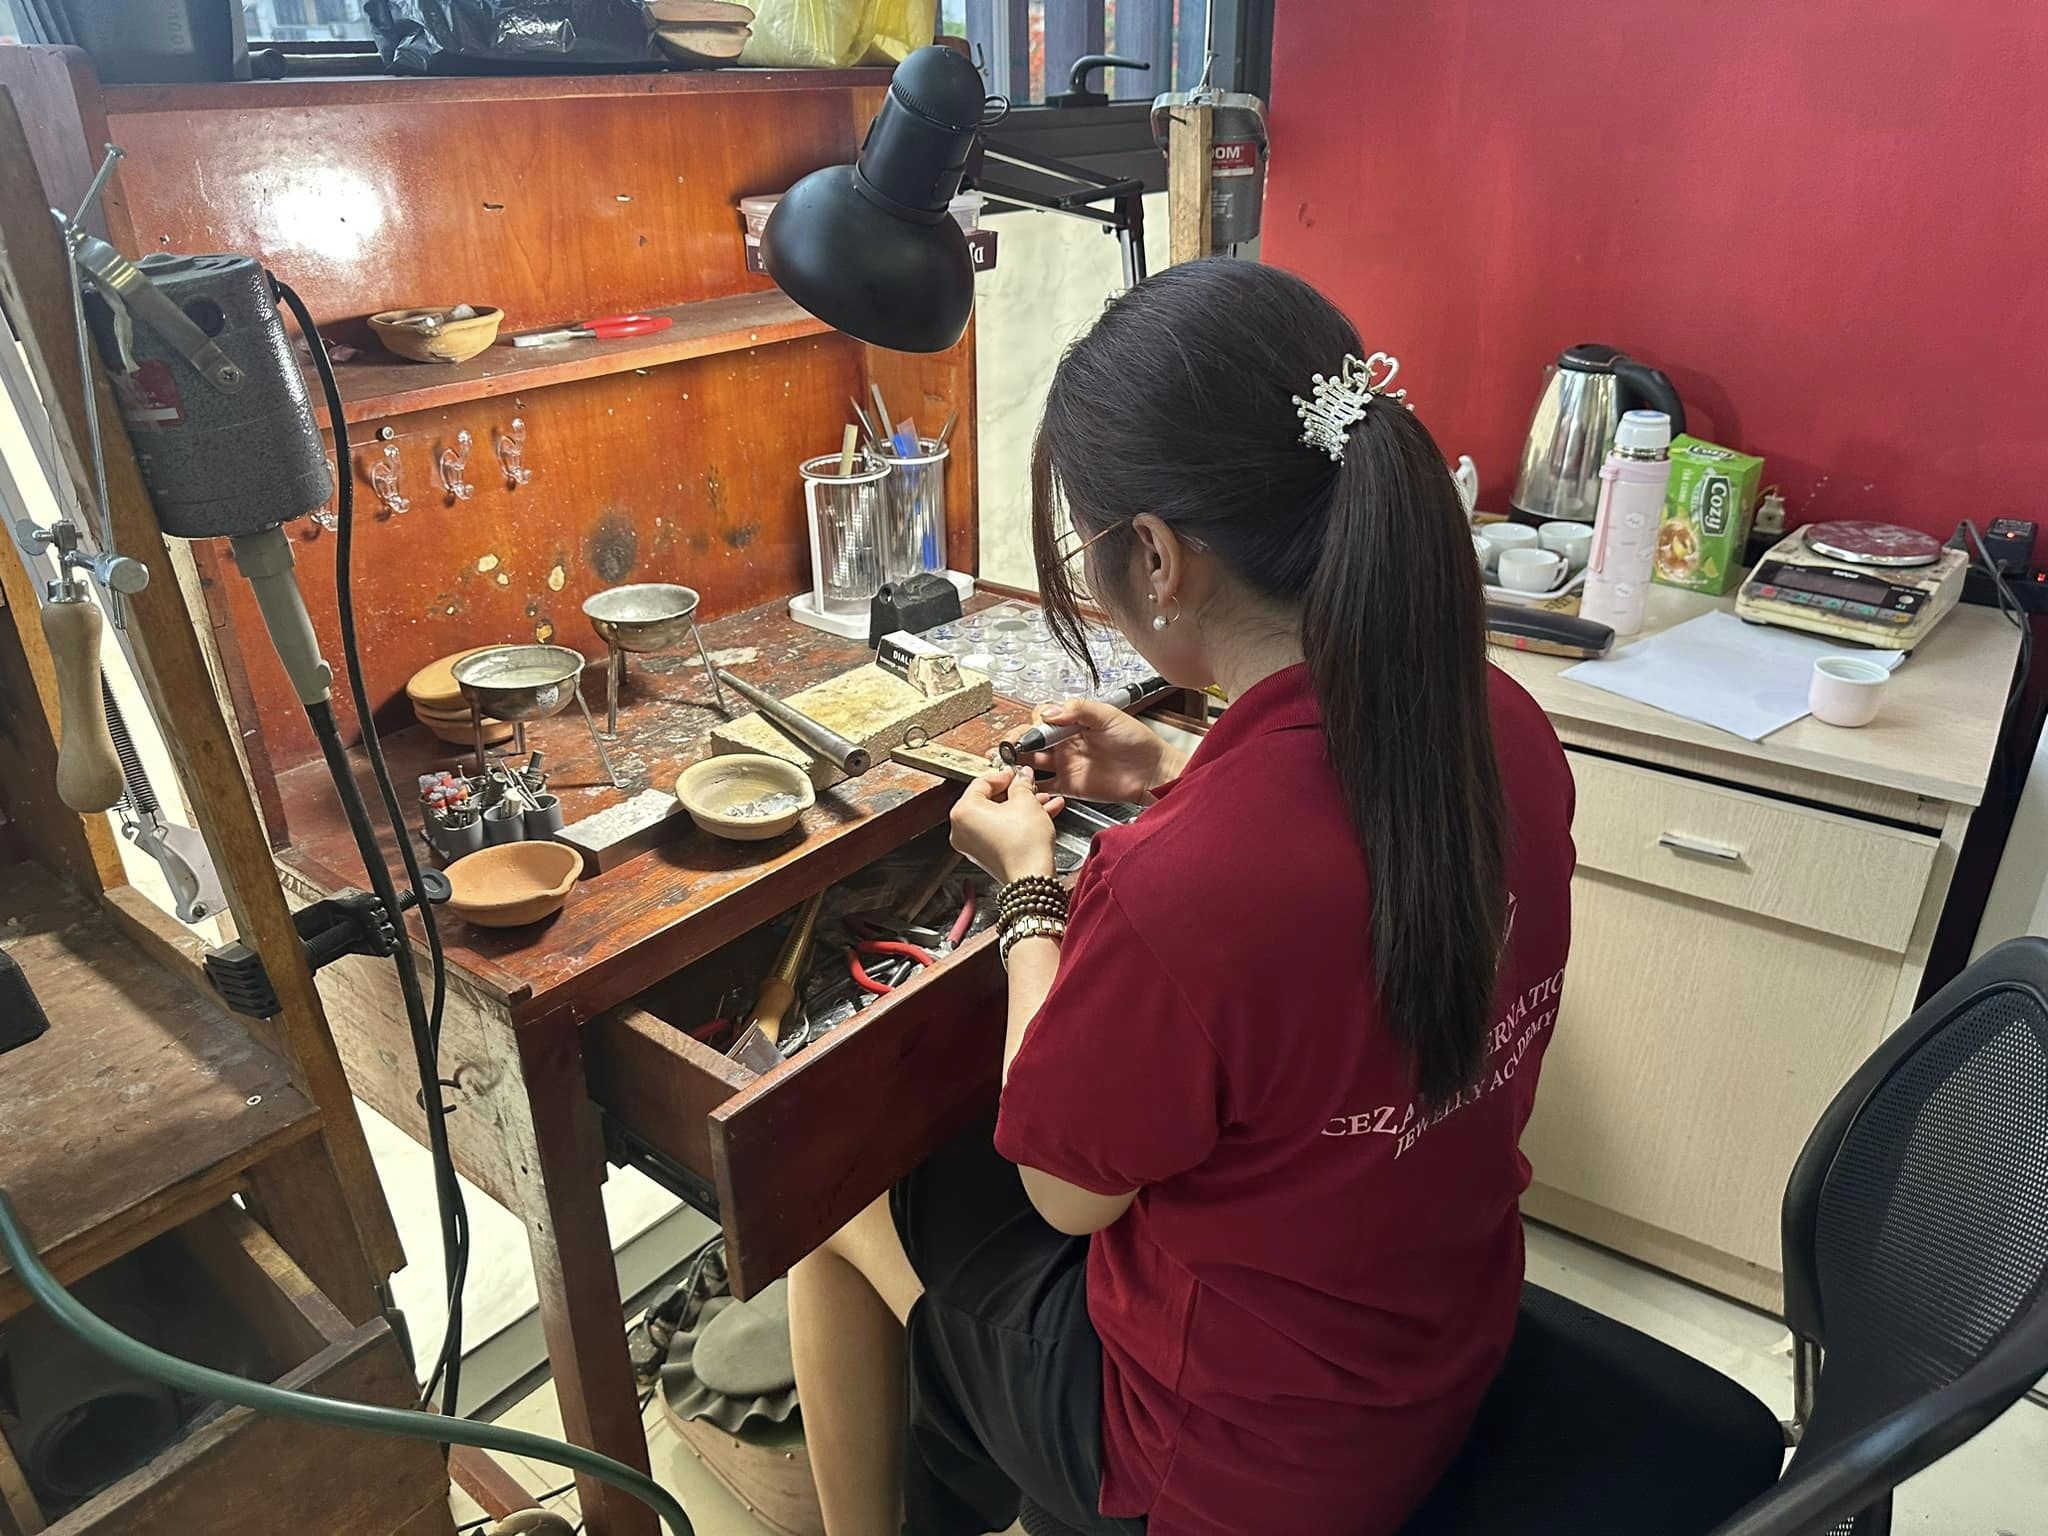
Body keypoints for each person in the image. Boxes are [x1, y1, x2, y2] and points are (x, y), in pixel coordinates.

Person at [788, 258, 1577, 1536]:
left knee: (828, 1202)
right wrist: (1171, 763)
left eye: (1091, 548)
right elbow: (1343, 853)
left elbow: (1065, 1198)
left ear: (1154, 556)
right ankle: (960, 1452)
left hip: (1226, 1465)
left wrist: (1028, 892)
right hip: (1430, 1353)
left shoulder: (1179, 887)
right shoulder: (1500, 725)